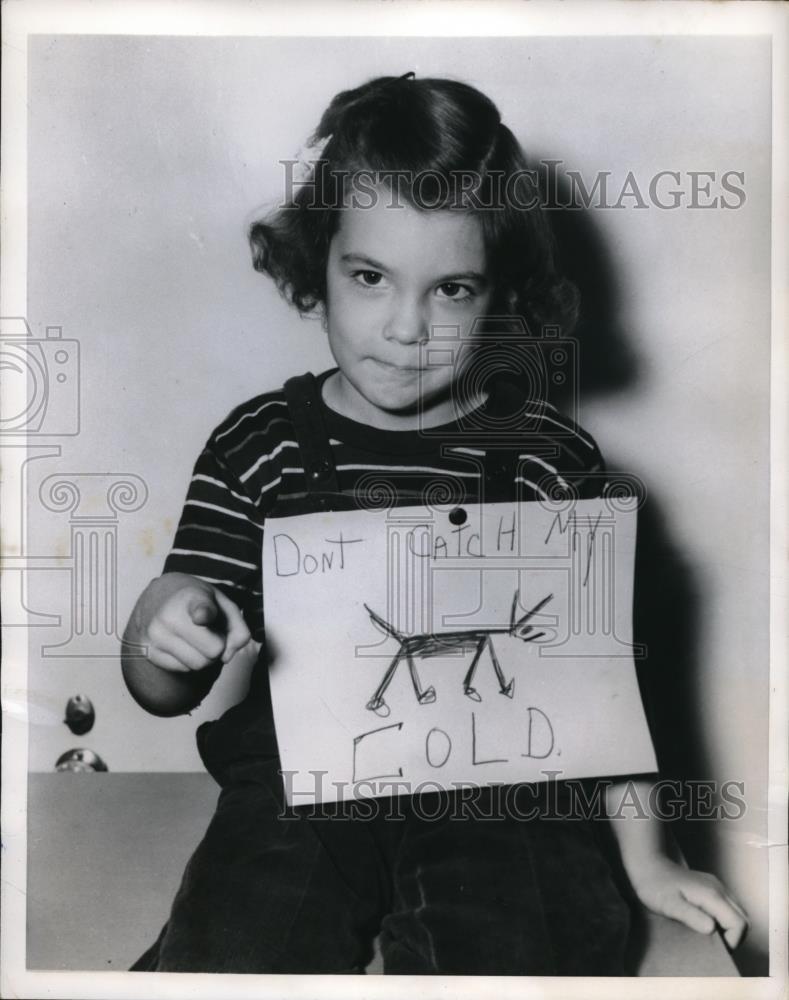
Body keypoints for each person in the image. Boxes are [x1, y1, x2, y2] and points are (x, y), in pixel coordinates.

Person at [122, 72, 748, 974]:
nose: (405, 325)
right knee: (239, 938)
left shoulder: (545, 457)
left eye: (451, 290)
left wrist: (650, 857)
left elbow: (597, 684)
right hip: (300, 785)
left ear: (500, 296)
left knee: (529, 940)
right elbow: (160, 688)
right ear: (317, 264)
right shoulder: (257, 444)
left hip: (504, 788)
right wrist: (162, 625)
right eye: (370, 276)